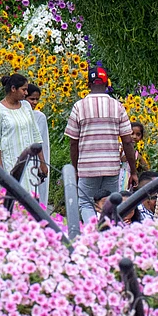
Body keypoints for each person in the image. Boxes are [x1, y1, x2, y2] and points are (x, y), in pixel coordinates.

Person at [66, 65, 138, 224]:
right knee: (111, 203)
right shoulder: (117, 106)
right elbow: (127, 141)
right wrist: (133, 171)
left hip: (88, 167)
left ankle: (92, 233)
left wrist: (75, 169)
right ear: (107, 84)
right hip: (111, 166)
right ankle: (108, 233)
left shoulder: (79, 107)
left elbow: (73, 143)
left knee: (86, 203)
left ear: (88, 84)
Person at [0, 73, 47, 199]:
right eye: (24, 89)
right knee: (14, 199)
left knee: (31, 199)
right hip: (10, 163)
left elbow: (36, 135)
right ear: (13, 89)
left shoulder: (26, 106)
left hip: (29, 163)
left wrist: (42, 163)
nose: (26, 93)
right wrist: (0, 170)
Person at [26, 83, 52, 205]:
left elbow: (40, 141)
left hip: (36, 159)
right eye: (32, 99)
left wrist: (43, 163)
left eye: (37, 99)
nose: (35, 102)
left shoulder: (39, 117)